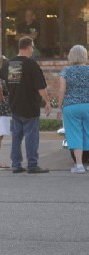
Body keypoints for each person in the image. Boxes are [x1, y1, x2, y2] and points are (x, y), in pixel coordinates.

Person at [0, 36, 51, 173]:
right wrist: (47, 101)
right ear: (28, 47)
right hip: (30, 106)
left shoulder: (10, 64)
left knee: (16, 137)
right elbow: (41, 88)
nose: (33, 50)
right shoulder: (31, 64)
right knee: (31, 136)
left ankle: (16, 164)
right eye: (32, 47)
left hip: (15, 106)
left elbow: (2, 82)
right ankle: (32, 165)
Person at [56, 45, 89, 174]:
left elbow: (62, 90)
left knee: (75, 134)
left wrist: (59, 107)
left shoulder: (66, 71)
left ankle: (79, 165)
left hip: (71, 106)